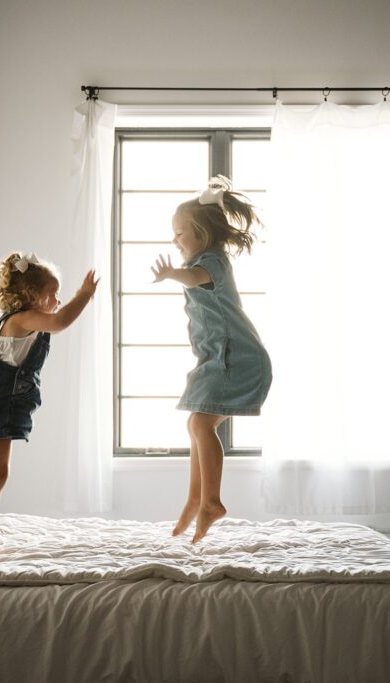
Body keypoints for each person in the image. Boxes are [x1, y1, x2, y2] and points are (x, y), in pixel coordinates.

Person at [151, 175, 272, 543]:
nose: (175, 240)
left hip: (236, 360)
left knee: (201, 425)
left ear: (202, 232)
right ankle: (196, 498)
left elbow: (195, 278)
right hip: (220, 359)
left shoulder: (213, 263)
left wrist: (172, 273)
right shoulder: (207, 259)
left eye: (180, 233)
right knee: (197, 424)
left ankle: (212, 501)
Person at [0, 251, 98, 563]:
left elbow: (55, 321)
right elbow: (61, 322)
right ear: (31, 295)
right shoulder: (22, 320)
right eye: (53, 294)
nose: (58, 301)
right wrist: (84, 295)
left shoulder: (25, 322)